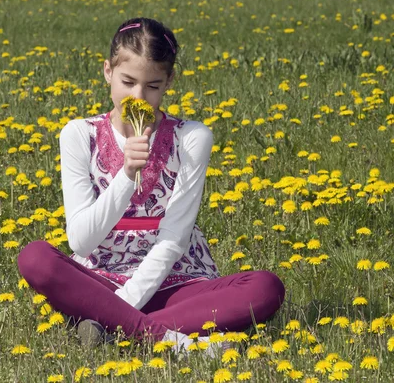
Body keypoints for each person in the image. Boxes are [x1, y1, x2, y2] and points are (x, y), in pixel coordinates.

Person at [17, 17, 285, 354]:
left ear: (170, 80)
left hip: (175, 281)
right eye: (127, 82)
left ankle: (110, 325)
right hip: (101, 277)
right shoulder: (78, 134)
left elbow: (174, 239)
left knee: (265, 287)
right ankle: (172, 340)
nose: (138, 97)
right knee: (35, 258)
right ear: (107, 71)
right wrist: (127, 176)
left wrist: (123, 306)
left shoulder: (191, 138)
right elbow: (81, 241)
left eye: (153, 86)